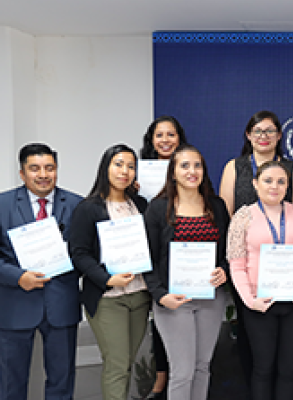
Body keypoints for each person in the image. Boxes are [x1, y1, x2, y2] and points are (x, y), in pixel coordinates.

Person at [0, 143, 83, 400]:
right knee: (13, 382)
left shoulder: (77, 204)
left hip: (61, 303)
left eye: (49, 168)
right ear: (22, 173)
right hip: (15, 304)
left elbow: (86, 252)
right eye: (35, 169)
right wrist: (18, 277)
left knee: (62, 381)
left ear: (57, 170)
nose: (43, 175)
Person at [219, 111, 293, 389]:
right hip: (249, 268)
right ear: (248, 135)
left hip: (287, 272)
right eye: (258, 131)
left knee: (286, 348)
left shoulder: (292, 169)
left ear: (279, 136)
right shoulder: (235, 167)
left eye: (270, 131)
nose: (264, 136)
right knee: (250, 335)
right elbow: (225, 214)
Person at [226, 161, 293, 400]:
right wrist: (250, 300)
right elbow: (236, 264)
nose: (274, 186)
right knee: (263, 368)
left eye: (281, 181)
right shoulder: (243, 216)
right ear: (255, 184)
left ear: (288, 186)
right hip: (259, 304)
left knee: (290, 369)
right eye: (268, 181)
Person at [143, 144, 230, 400]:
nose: (192, 171)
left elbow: (228, 250)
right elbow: (148, 258)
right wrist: (160, 295)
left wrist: (224, 270)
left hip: (210, 298)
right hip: (174, 299)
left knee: (202, 367)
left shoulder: (216, 206)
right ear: (173, 172)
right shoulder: (158, 208)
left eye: (197, 165)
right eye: (184, 166)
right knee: (182, 372)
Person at [70, 144, 150, 400]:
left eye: (131, 166)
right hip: (107, 298)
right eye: (118, 164)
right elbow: (79, 253)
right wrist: (107, 278)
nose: (124, 171)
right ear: (105, 168)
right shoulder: (88, 208)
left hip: (140, 294)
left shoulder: (140, 204)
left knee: (127, 362)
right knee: (117, 363)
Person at [140, 115, 189, 399]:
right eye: (159, 135)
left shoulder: (188, 167)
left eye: (171, 134)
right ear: (151, 140)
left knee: (181, 316)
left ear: (179, 138)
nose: (165, 140)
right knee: (160, 318)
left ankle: (181, 374)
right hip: (153, 246)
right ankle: (161, 377)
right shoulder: (139, 171)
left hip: (183, 252)